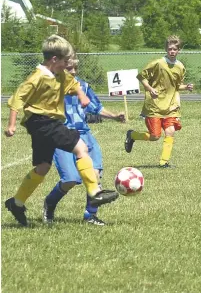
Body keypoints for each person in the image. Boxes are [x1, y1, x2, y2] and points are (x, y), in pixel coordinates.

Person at [4, 35, 119, 227]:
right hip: (43, 122)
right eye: (65, 62)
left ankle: (16, 202)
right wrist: (11, 125)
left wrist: (83, 97)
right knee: (81, 148)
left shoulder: (60, 74)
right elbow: (17, 100)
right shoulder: (37, 77)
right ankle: (94, 192)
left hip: (44, 125)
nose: (68, 67)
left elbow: (75, 85)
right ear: (54, 60)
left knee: (43, 167)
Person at [43, 55, 125, 226]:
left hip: (84, 134)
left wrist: (115, 116)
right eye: (69, 68)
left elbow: (96, 107)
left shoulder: (83, 86)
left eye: (75, 69)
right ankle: (49, 204)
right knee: (70, 179)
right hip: (61, 135)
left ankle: (90, 215)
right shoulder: (51, 86)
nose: (73, 72)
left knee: (94, 174)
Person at [124, 35, 193, 168]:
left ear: (179, 50)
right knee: (155, 136)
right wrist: (150, 89)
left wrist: (186, 87)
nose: (172, 51)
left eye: (174, 49)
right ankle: (132, 135)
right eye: (169, 49)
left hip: (171, 107)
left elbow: (176, 86)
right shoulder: (158, 63)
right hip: (154, 106)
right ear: (166, 49)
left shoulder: (180, 67)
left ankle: (164, 162)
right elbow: (141, 76)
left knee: (170, 131)